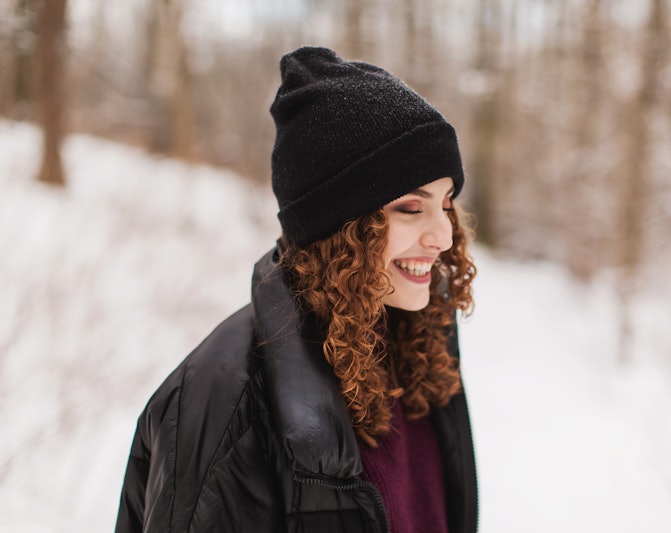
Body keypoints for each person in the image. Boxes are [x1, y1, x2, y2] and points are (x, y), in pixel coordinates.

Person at [115, 46, 478, 533]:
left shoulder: (420, 345)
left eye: (447, 203)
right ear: (340, 226)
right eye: (411, 208)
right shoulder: (226, 402)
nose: (445, 235)